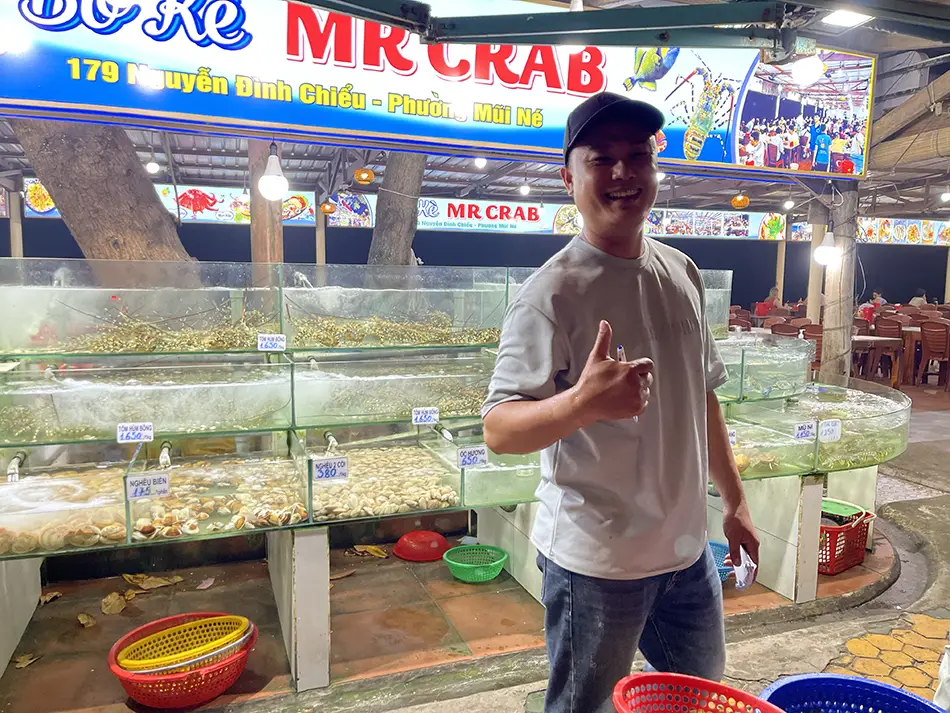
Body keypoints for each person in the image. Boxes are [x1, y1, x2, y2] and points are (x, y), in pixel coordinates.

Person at [481, 92, 759, 713]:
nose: (623, 174)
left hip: (688, 555)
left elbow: (702, 398)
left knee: (699, 699)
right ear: (569, 178)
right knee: (583, 707)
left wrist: (735, 502)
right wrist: (580, 405)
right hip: (597, 564)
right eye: (601, 159)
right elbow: (499, 429)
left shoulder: (681, 270)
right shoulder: (550, 293)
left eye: (638, 156)